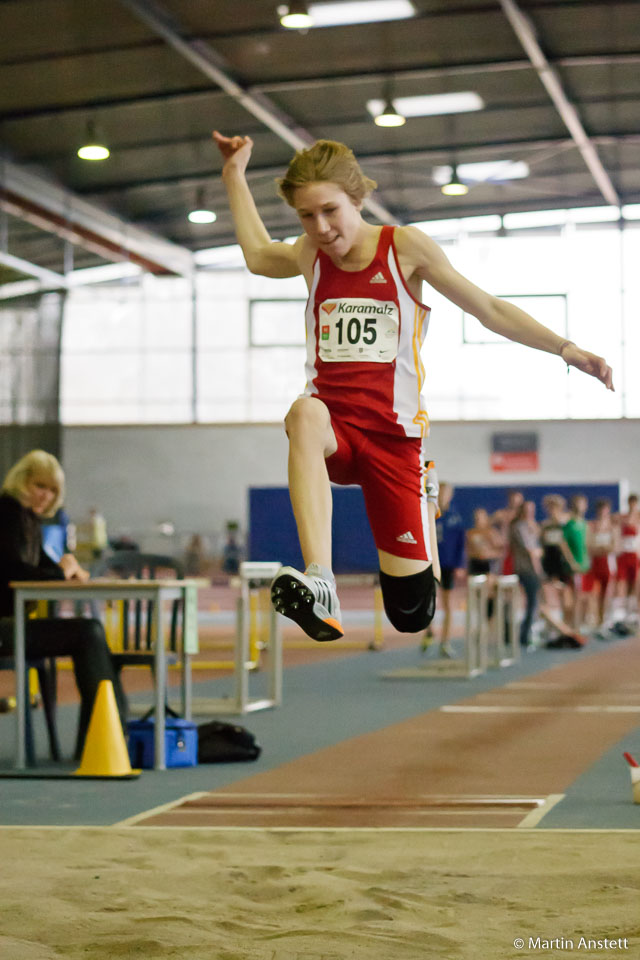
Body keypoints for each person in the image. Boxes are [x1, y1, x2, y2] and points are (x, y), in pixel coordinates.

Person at [213, 131, 613, 643]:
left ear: (357, 199)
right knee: (302, 413)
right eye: (306, 217)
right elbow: (255, 254)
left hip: (394, 441)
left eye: (331, 211)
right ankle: (321, 580)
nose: (321, 228)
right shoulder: (308, 254)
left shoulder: (404, 248)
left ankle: (422, 497)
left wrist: (565, 348)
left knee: (412, 612)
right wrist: (233, 173)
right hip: (335, 429)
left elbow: (488, 309)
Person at [0, 450, 127, 759]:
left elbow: (44, 568)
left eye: (52, 490)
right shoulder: (6, 511)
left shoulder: (28, 519)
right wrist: (64, 569)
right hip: (5, 627)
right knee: (87, 632)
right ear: (22, 482)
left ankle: (104, 732)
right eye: (39, 486)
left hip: (15, 624)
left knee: (89, 631)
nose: (45, 495)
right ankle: (106, 732)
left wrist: (66, 567)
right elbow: (13, 570)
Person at [422, 481, 465, 657]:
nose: (443, 496)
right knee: (426, 600)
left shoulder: (455, 517)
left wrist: (460, 565)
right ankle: (429, 630)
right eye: (441, 492)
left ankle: (445, 642)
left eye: (446, 493)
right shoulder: (428, 512)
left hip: (447, 565)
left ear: (451, 495)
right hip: (430, 564)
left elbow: (461, 543)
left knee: (448, 604)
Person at [509, 500, 543, 647]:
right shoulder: (519, 527)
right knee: (532, 602)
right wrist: (537, 558)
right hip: (525, 569)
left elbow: (538, 549)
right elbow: (531, 550)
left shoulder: (533, 527)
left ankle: (528, 632)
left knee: (535, 602)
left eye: (533, 509)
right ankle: (525, 634)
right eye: (528, 509)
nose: (531, 512)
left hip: (534, 569)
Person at [584, 497, 615, 634]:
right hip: (594, 563)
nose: (603, 513)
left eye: (605, 510)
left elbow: (614, 546)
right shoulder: (592, 525)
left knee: (605, 593)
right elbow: (588, 545)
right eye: (601, 510)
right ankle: (593, 618)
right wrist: (600, 549)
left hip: (607, 563)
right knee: (592, 592)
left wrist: (604, 548)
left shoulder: (612, 527)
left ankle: (603, 619)